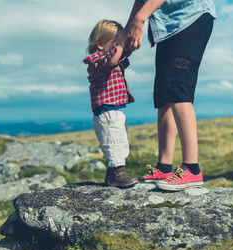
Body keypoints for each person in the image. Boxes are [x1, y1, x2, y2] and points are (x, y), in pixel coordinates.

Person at [125, 0, 216, 191]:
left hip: (192, 16)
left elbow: (142, 10)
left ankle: (192, 168)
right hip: (167, 26)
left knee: (177, 85)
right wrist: (127, 32)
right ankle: (164, 167)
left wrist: (140, 19)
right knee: (164, 93)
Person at [83, 19, 138, 187]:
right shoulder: (96, 61)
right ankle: (116, 174)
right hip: (106, 113)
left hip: (114, 110)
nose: (119, 47)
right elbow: (112, 61)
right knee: (113, 142)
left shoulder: (109, 58)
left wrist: (129, 40)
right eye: (116, 43)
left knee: (120, 141)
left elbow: (121, 56)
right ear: (100, 44)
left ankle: (111, 175)